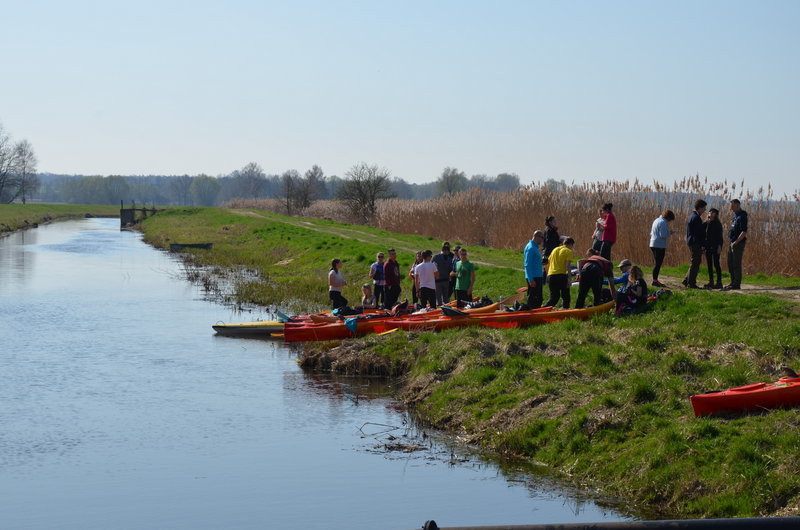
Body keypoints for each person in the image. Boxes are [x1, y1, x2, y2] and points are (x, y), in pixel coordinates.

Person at [682, 199, 707, 289]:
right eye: (704, 208)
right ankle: (691, 283)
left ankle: (686, 280)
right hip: (695, 242)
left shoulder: (692, 216)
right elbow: (699, 232)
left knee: (694, 261)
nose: (705, 210)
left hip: (691, 241)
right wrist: (706, 223)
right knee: (695, 262)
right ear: (699, 208)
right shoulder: (696, 217)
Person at [545, 237, 575, 309]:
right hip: (561, 275)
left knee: (554, 297)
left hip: (551, 275)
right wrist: (569, 279)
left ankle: (544, 309)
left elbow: (547, 264)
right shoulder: (568, 251)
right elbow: (568, 266)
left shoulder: (554, 250)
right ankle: (565, 311)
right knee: (566, 296)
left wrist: (548, 274)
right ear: (571, 245)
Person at [725, 199, 748, 290]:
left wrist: (736, 242)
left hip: (738, 244)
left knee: (736, 264)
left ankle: (736, 284)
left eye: (732, 205)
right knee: (730, 263)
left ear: (737, 205)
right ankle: (732, 282)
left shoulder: (742, 216)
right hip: (732, 243)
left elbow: (744, 231)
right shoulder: (735, 216)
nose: (730, 207)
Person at [649, 210, 675, 287]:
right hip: (659, 245)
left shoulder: (656, 220)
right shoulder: (663, 222)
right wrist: (670, 232)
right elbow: (663, 235)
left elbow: (652, 233)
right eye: (670, 220)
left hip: (653, 243)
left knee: (657, 263)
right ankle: (655, 281)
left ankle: (655, 280)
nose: (669, 221)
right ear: (668, 217)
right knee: (658, 264)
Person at [523, 230, 545, 309]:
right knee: (534, 298)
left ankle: (534, 311)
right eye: (542, 237)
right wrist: (531, 279)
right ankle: (531, 313)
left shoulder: (534, 247)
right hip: (534, 277)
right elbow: (527, 264)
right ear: (536, 236)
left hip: (537, 275)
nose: (543, 240)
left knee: (538, 298)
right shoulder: (531, 247)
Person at [704, 208, 724, 289]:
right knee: (709, 264)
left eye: (712, 212)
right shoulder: (707, 222)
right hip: (708, 246)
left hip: (715, 246)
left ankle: (719, 282)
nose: (710, 213)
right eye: (709, 212)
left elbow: (720, 237)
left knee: (716, 264)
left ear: (715, 214)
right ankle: (711, 281)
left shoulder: (717, 224)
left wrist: (719, 246)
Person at [431, 242, 453, 306]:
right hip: (446, 280)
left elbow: (432, 267)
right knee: (446, 297)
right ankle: (446, 309)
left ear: (442, 250)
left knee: (438, 297)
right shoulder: (450, 259)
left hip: (437, 280)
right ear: (448, 252)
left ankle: (439, 310)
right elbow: (450, 270)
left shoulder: (435, 257)